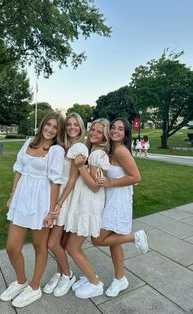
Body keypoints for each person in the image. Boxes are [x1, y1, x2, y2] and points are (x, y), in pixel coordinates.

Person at [0, 112, 65, 308]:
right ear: (42, 124)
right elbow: (19, 169)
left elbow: (55, 182)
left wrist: (51, 211)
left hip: (41, 202)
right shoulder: (28, 142)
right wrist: (12, 195)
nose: (50, 130)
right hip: (22, 199)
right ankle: (21, 281)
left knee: (39, 246)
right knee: (11, 247)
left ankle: (34, 287)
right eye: (48, 125)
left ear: (58, 131)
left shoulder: (56, 151)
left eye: (55, 127)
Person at [92, 118, 148, 298]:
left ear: (125, 134)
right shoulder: (110, 149)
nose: (115, 131)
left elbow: (136, 177)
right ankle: (120, 279)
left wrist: (110, 182)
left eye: (120, 129)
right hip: (110, 198)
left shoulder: (121, 150)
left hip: (118, 201)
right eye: (113, 127)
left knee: (97, 239)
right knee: (113, 242)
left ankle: (135, 237)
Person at [65, 118, 110, 299]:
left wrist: (81, 167)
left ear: (104, 136)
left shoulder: (98, 154)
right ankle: (90, 276)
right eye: (93, 130)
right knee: (74, 246)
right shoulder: (92, 150)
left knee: (72, 247)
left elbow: (94, 186)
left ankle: (95, 283)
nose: (93, 133)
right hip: (85, 202)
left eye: (99, 132)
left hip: (90, 205)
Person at [42, 113, 86, 297]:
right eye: (69, 124)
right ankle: (60, 272)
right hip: (56, 194)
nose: (72, 127)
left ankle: (68, 275)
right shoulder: (61, 145)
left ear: (81, 127)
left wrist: (59, 203)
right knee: (58, 242)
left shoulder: (79, 148)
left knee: (52, 243)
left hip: (67, 198)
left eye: (76, 124)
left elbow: (73, 180)